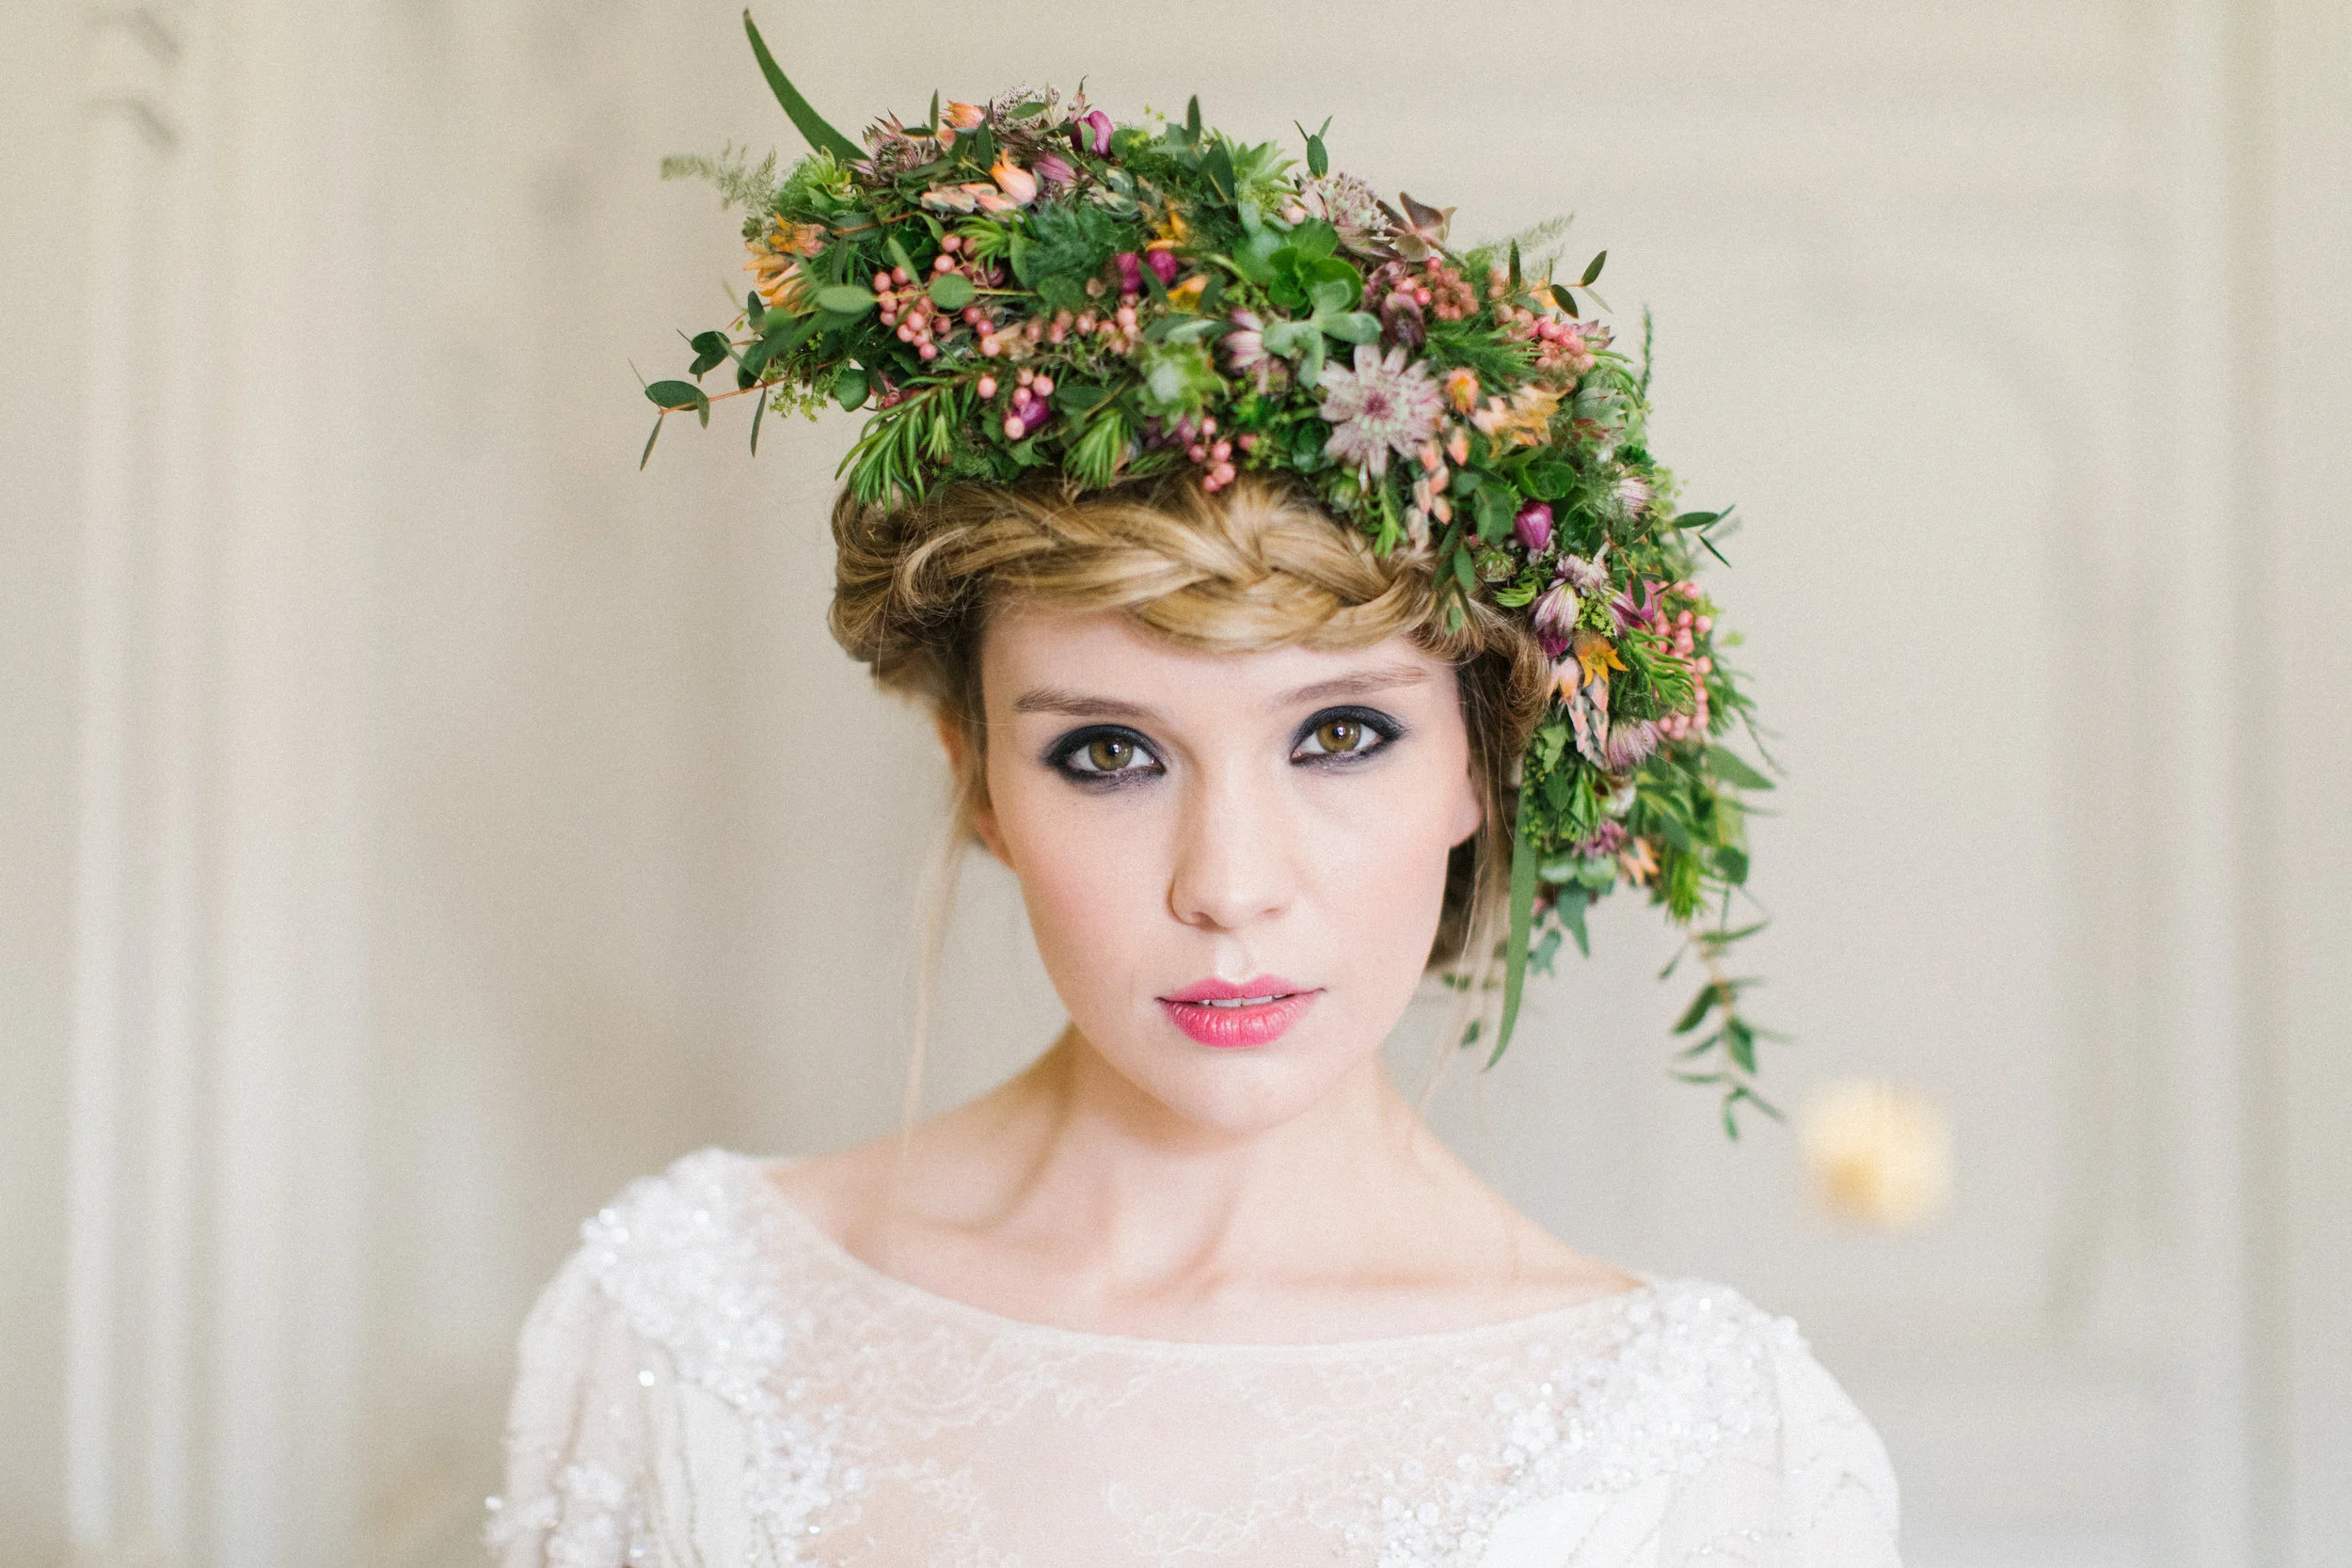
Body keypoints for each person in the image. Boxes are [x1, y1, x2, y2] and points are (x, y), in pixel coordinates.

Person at [488, 53, 1899, 1566]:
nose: (1227, 885)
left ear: (1479, 764)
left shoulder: (1700, 1447)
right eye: (1109, 754)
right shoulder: (686, 1323)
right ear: (977, 777)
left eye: (1340, 733)